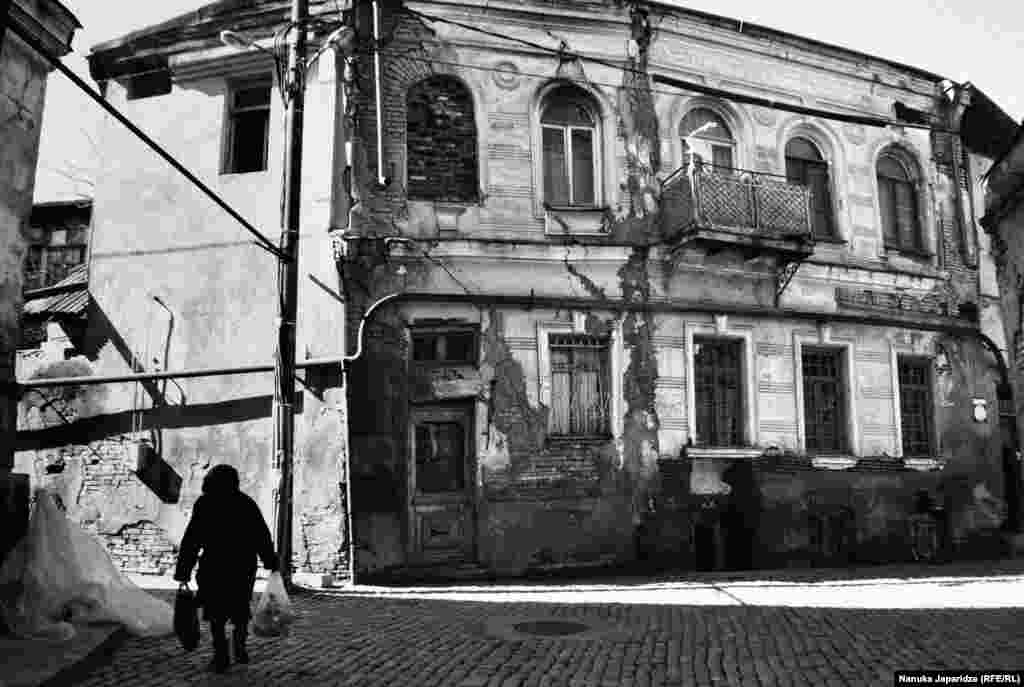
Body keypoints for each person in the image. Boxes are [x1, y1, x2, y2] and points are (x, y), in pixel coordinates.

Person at [174, 464, 279, 673]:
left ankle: (220, 655)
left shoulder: (205, 503)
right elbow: (261, 535)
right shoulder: (245, 503)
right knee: (240, 608)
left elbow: (192, 539)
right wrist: (270, 561)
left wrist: (183, 570)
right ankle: (240, 646)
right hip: (242, 566)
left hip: (214, 566)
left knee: (216, 613)